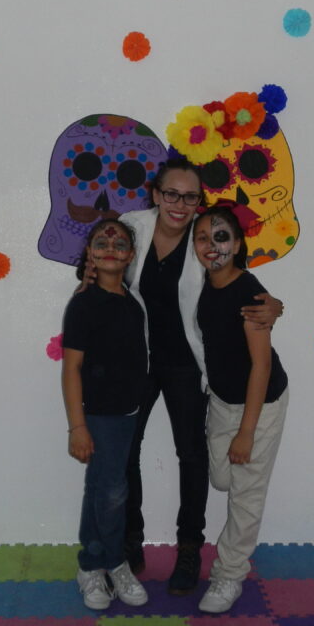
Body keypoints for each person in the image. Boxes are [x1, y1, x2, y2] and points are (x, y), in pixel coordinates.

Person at [113, 158, 283, 595]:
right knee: (126, 448)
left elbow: (237, 282)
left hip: (186, 364)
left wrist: (274, 305)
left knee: (192, 454)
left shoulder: (205, 239)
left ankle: (189, 547)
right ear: (156, 194)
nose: (180, 204)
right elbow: (103, 267)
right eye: (172, 193)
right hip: (138, 360)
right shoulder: (132, 228)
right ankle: (131, 538)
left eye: (190, 197)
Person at [191, 203, 290, 614]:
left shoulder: (249, 294)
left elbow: (261, 366)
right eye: (202, 238)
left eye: (221, 237)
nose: (211, 246)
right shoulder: (198, 284)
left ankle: (229, 573)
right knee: (221, 478)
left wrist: (247, 432)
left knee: (246, 493)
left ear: (237, 243)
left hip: (261, 402)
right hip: (222, 399)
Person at [61, 219, 150, 610]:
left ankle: (92, 564)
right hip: (100, 415)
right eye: (102, 242)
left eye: (120, 244)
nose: (111, 248)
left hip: (128, 412)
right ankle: (112, 561)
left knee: (102, 487)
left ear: (131, 255)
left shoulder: (132, 301)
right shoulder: (84, 304)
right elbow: (72, 368)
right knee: (112, 492)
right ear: (90, 254)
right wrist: (78, 426)